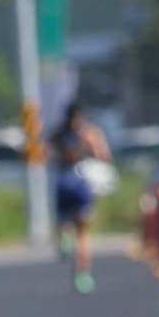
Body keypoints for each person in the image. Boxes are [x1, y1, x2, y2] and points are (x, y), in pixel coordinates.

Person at [48, 99, 112, 293]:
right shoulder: (89, 133)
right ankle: (82, 274)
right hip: (81, 183)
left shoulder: (57, 134)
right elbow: (104, 155)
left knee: (62, 220)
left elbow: (46, 154)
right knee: (83, 234)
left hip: (62, 183)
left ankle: (65, 235)